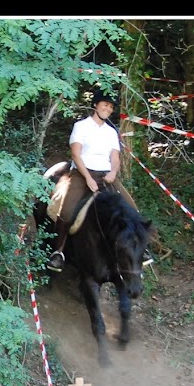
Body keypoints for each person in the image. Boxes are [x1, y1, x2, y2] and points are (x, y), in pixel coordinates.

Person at [46, 89, 153, 272]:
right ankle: (59, 252)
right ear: (95, 105)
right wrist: (88, 178)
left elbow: (115, 158)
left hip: (106, 176)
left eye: (111, 106)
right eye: (105, 104)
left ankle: (140, 250)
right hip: (82, 174)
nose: (108, 109)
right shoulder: (81, 126)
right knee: (67, 211)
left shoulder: (111, 132)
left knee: (132, 209)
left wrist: (113, 172)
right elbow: (76, 154)